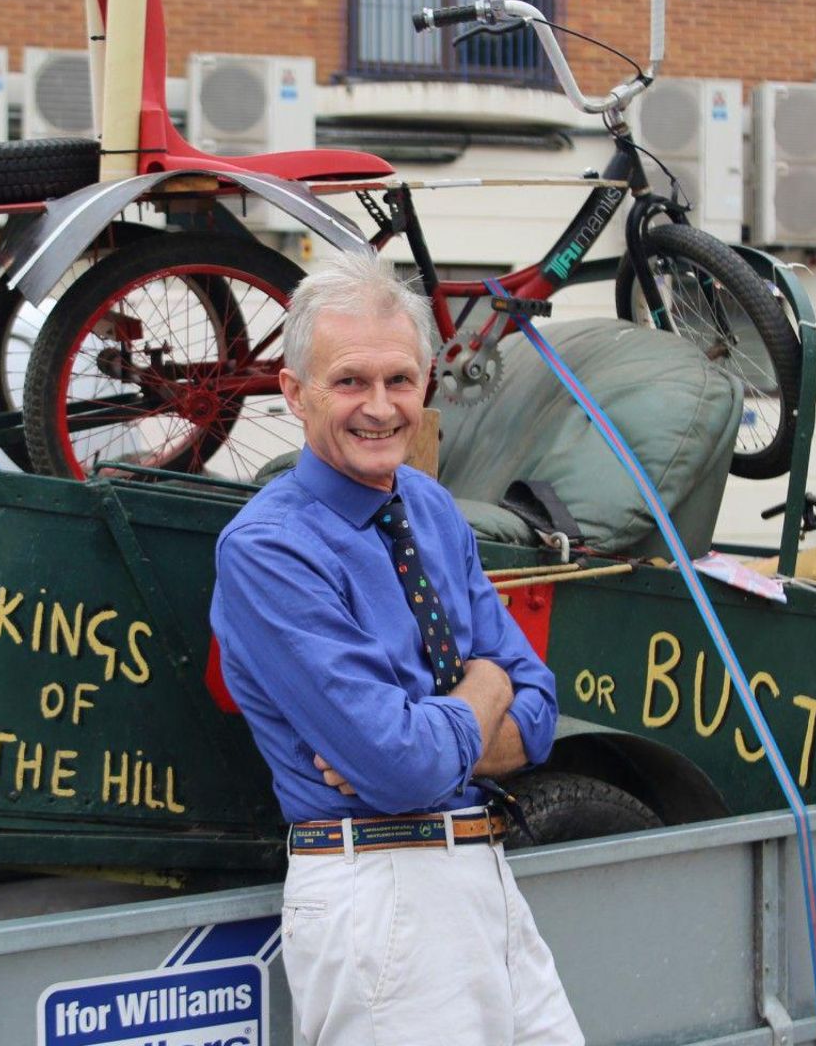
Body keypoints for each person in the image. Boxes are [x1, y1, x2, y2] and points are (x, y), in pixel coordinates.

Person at [210, 249, 582, 1046]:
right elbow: (407, 762)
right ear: (295, 393)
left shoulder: (434, 509)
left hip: (483, 877)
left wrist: (425, 739)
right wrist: (481, 691)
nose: (379, 407)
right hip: (377, 896)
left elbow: (542, 709)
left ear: (425, 385)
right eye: (349, 381)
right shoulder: (270, 548)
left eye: (399, 380)